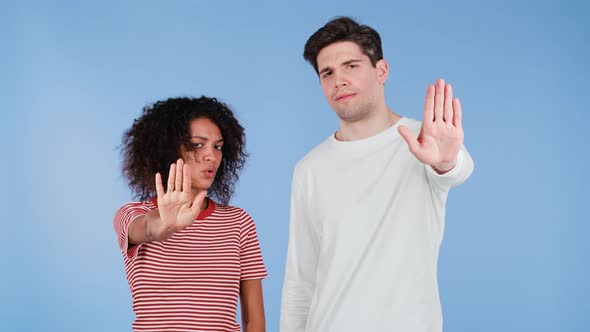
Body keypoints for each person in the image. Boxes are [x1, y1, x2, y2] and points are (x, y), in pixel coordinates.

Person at [280, 17, 474, 332]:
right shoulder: (309, 169)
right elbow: (300, 278)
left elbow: (457, 169)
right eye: (327, 72)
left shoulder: (421, 141)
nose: (338, 80)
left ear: (381, 71)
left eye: (351, 66)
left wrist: (446, 161)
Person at [114, 96, 267, 332]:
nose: (212, 156)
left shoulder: (238, 222)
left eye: (217, 146)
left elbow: (253, 320)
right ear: (167, 149)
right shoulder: (132, 213)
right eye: (197, 144)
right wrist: (166, 224)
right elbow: (147, 228)